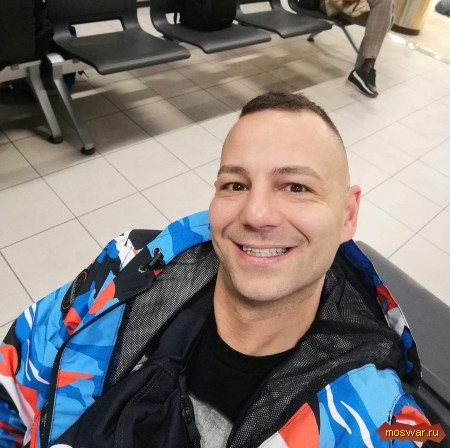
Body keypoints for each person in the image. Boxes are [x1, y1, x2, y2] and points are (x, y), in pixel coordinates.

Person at [0, 92, 428, 447]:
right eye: (235, 185)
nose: (256, 213)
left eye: (296, 187)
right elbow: (11, 384)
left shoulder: (383, 421)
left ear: (348, 214)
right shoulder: (127, 270)